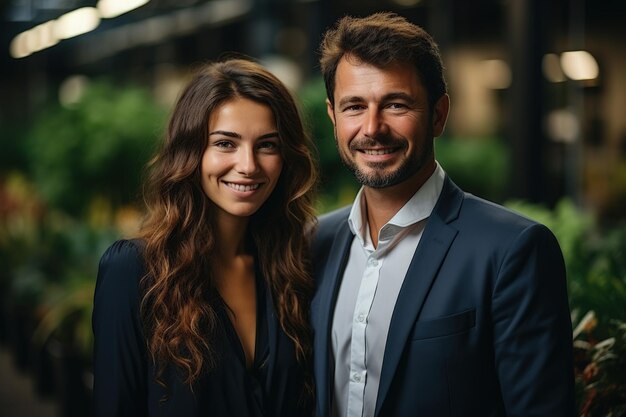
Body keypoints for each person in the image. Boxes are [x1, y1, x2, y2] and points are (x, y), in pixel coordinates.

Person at [311, 12, 575, 417]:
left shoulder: (512, 251)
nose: (372, 127)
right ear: (333, 117)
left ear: (438, 114)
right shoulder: (314, 243)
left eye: (396, 104)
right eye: (354, 106)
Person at [92, 58, 317, 417]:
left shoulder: (289, 269)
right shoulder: (135, 271)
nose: (248, 165)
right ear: (191, 151)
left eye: (268, 145)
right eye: (226, 144)